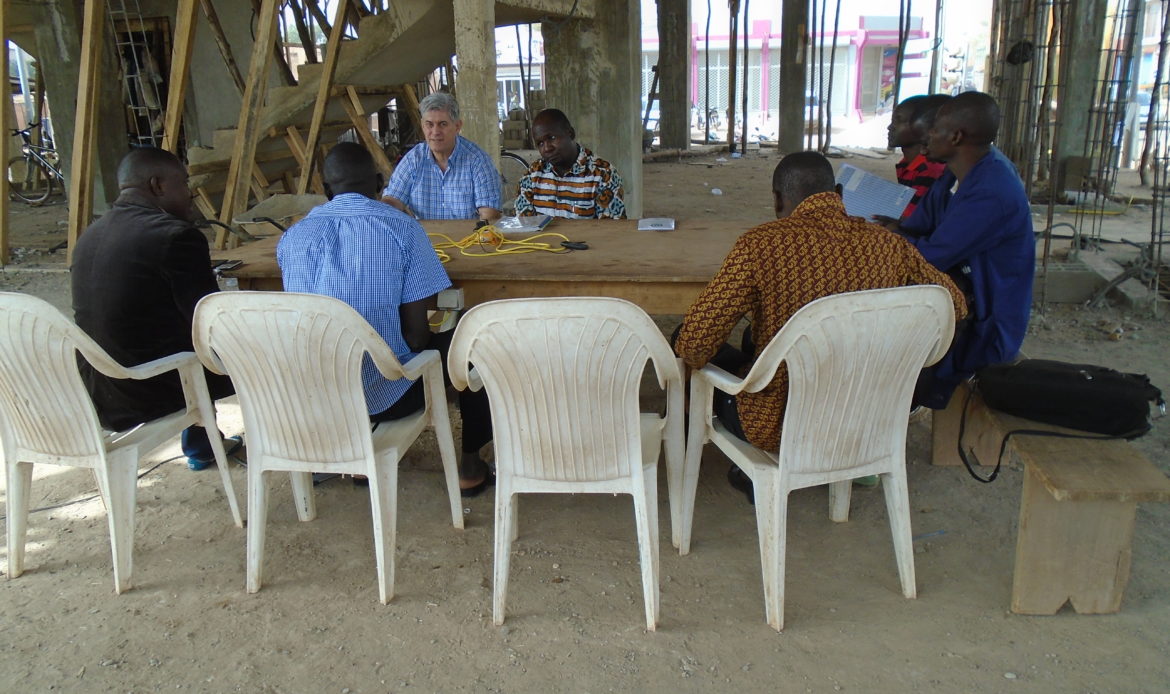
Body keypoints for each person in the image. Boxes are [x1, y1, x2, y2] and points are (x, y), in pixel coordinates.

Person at [673, 151, 967, 502]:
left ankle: (715, 452)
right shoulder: (889, 245)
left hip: (779, 425)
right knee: (756, 339)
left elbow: (694, 345)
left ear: (777, 199)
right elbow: (954, 304)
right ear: (839, 194)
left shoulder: (760, 245)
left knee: (691, 340)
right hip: (868, 419)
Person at [280, 142, 495, 496]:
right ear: (380, 183)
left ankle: (355, 455)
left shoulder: (293, 238)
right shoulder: (402, 228)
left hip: (318, 396)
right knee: (475, 340)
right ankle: (470, 466)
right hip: (388, 398)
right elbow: (416, 338)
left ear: (326, 188)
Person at [71, 147, 241, 471]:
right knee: (247, 345)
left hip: (97, 385)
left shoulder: (90, 235)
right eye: (184, 183)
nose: (190, 194)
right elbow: (208, 320)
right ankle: (281, 441)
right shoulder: (176, 236)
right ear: (157, 185)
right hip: (143, 389)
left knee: (169, 330)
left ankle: (204, 445)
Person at [884, 91, 1035, 409]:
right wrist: (892, 233)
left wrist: (888, 239)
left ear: (956, 136)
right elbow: (916, 226)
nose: (927, 134)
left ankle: (900, 403)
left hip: (986, 324)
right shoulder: (956, 172)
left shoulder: (992, 191)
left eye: (935, 128)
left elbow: (929, 257)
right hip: (960, 290)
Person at [380, 92, 501, 223]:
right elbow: (392, 200)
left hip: (468, 235)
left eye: (443, 124)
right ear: (422, 126)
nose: (435, 132)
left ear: (457, 126)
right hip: (424, 235)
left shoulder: (478, 161)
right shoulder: (413, 160)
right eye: (429, 124)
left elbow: (490, 215)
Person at [514, 108, 626, 219]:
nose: (547, 148)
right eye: (540, 143)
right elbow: (525, 225)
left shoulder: (603, 175)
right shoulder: (532, 176)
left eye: (552, 138)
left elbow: (612, 227)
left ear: (571, 133)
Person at [889, 94, 951, 218]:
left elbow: (911, 220)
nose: (890, 127)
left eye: (898, 121)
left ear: (921, 125)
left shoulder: (929, 169)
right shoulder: (906, 163)